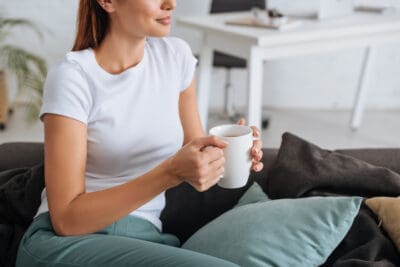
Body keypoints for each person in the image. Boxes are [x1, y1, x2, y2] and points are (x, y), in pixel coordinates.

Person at [16, 0, 264, 266]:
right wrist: (169, 173)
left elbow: (198, 157)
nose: (171, 4)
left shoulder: (176, 58)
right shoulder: (73, 76)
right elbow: (66, 220)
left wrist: (233, 152)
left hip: (144, 239)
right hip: (66, 243)